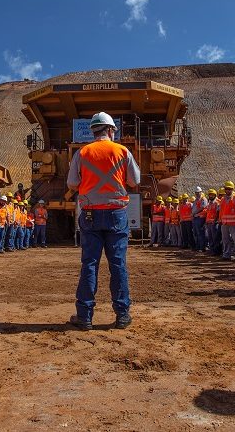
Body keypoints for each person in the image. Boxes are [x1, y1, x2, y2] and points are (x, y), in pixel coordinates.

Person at [66, 111, 140, 330]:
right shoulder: (122, 151)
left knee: (89, 264)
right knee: (118, 264)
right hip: (116, 214)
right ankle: (122, 315)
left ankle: (85, 316)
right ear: (110, 130)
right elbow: (134, 181)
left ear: (93, 131)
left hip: (90, 214)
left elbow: (72, 183)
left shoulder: (83, 152)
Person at [218, 181, 235, 261]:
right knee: (225, 240)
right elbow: (221, 211)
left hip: (234, 223)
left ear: (232, 189)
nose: (228, 190)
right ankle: (226, 255)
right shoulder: (222, 199)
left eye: (230, 189)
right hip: (225, 223)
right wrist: (220, 220)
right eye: (227, 189)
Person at [191, 187, 208, 252]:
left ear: (201, 192)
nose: (197, 194)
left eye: (198, 193)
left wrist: (194, 212)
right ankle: (198, 246)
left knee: (200, 233)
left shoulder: (203, 199)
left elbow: (203, 207)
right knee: (196, 233)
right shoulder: (196, 200)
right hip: (195, 217)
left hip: (200, 218)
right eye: (196, 193)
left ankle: (202, 247)